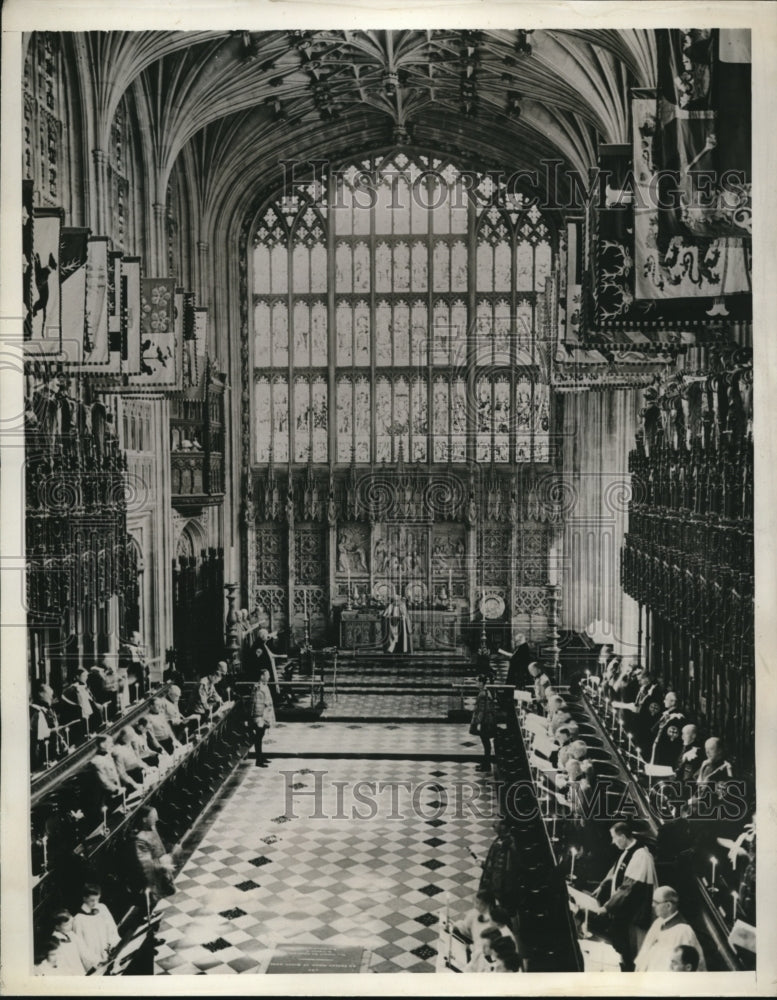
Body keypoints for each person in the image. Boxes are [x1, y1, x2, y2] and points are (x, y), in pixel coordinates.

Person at [590, 821, 657, 970]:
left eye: (614, 838)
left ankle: (627, 969)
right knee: (618, 939)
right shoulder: (629, 851)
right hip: (622, 907)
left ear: (623, 836)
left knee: (626, 944)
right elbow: (616, 872)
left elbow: (628, 888)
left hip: (631, 911)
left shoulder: (641, 856)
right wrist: (602, 885)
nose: (613, 842)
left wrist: (607, 908)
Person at [634, 885, 706, 971]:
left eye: (656, 902)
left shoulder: (684, 931)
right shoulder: (658, 922)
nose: (652, 905)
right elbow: (645, 950)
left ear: (668, 906)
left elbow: (690, 966)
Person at [132, 805, 175, 904]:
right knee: (153, 898)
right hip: (153, 872)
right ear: (144, 819)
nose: (157, 819)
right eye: (153, 817)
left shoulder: (152, 828)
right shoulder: (140, 838)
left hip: (162, 868)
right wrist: (161, 865)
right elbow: (145, 863)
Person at [71, 884, 120, 973]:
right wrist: (96, 961)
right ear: (84, 898)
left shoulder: (102, 908)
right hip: (96, 962)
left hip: (110, 953)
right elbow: (81, 948)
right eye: (92, 900)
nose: (96, 903)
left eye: (98, 899)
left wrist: (112, 945)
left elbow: (112, 929)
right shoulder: (78, 920)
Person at [469, 675, 497, 772]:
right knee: (486, 743)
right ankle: (485, 763)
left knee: (486, 744)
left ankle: (486, 765)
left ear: (481, 682)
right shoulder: (485, 692)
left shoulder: (483, 694)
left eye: (477, 681)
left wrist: (477, 723)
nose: (476, 683)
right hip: (486, 720)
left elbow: (481, 711)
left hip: (485, 721)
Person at [60, 667, 96, 742]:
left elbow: (90, 699)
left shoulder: (84, 686)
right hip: (76, 714)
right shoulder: (73, 689)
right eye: (84, 676)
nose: (86, 678)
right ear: (77, 677)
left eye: (87, 676)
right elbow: (79, 703)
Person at [250, 667, 276, 767]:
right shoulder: (259, 688)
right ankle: (258, 760)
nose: (269, 677)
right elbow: (258, 705)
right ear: (262, 676)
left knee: (261, 736)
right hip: (260, 717)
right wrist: (259, 719)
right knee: (258, 737)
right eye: (267, 675)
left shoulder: (264, 686)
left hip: (265, 716)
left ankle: (261, 757)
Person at [49, 911, 87, 975]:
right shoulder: (55, 942)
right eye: (66, 925)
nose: (70, 926)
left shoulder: (70, 934)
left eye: (71, 923)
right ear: (57, 926)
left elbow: (84, 951)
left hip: (78, 968)